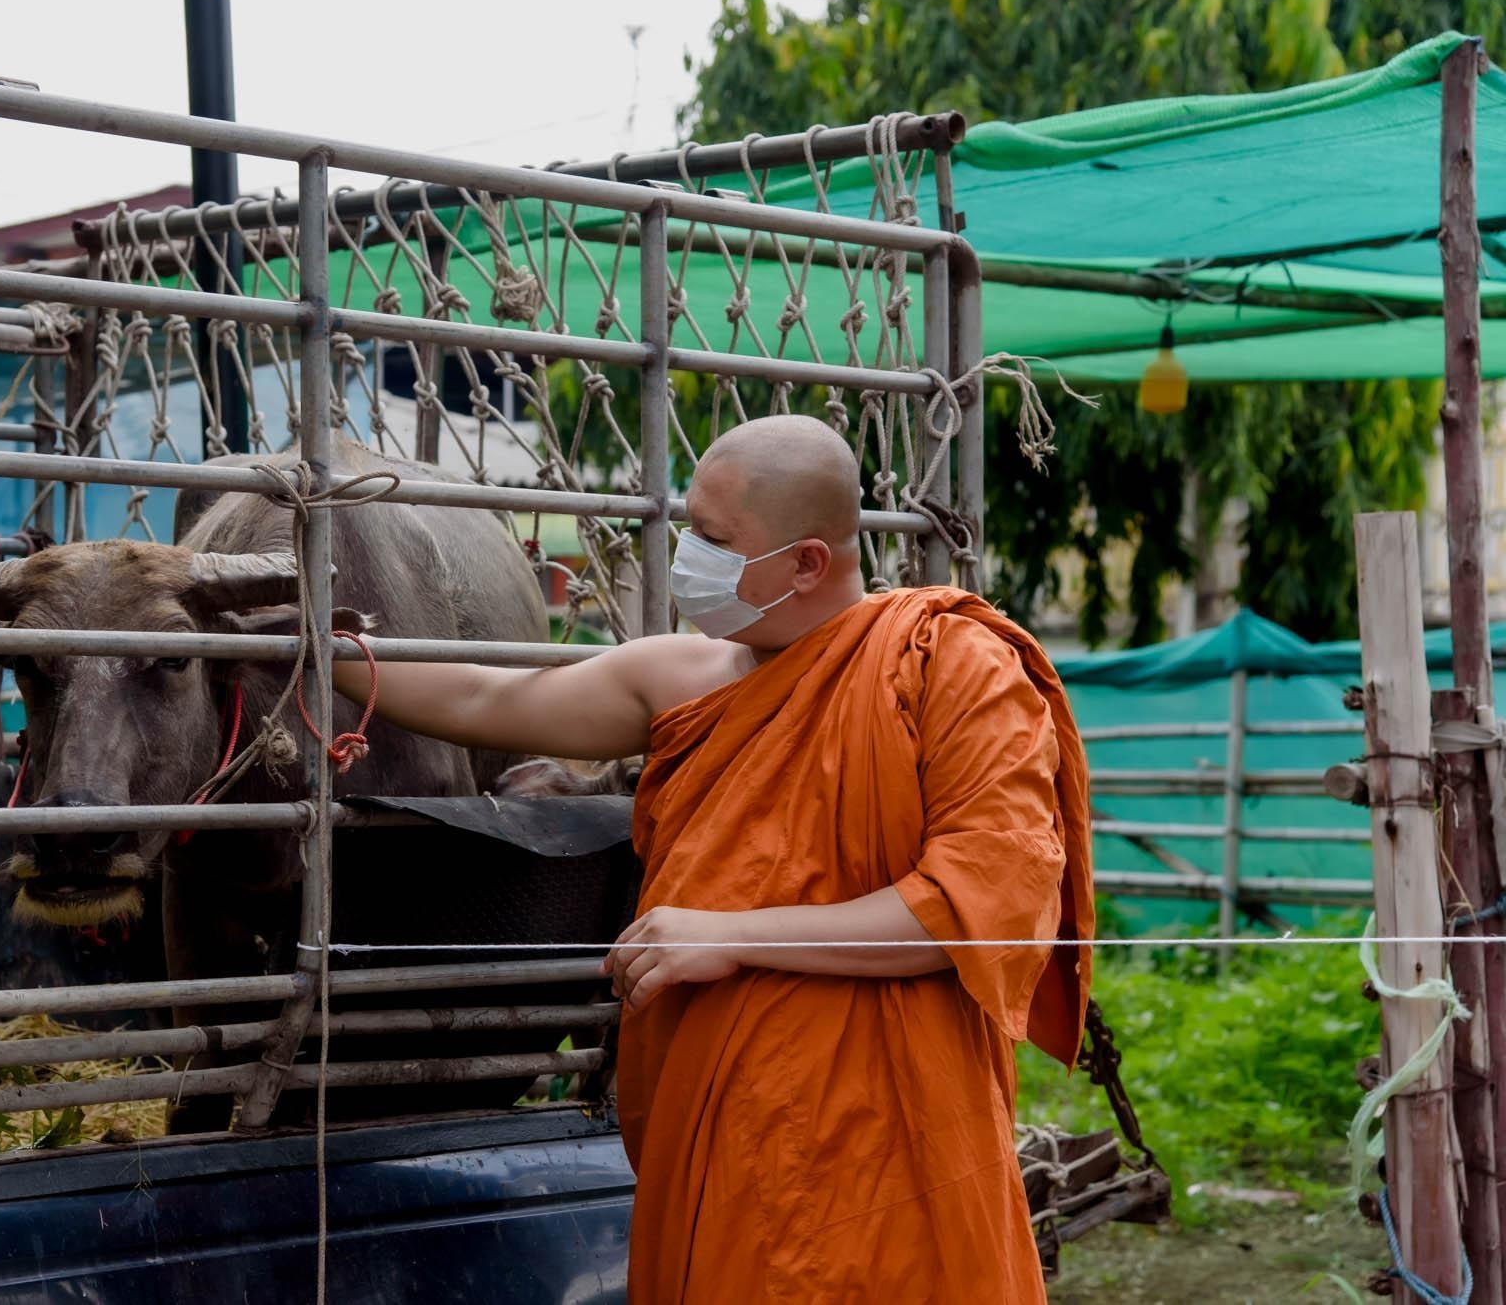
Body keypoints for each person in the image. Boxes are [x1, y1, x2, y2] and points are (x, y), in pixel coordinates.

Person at [331, 414, 1094, 1303]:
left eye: (711, 539)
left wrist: (733, 935)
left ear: (808, 562)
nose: (687, 555)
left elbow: (971, 907)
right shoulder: (680, 676)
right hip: (722, 1126)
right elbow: (483, 694)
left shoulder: (950, 667)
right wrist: (335, 650)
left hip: (895, 1140)